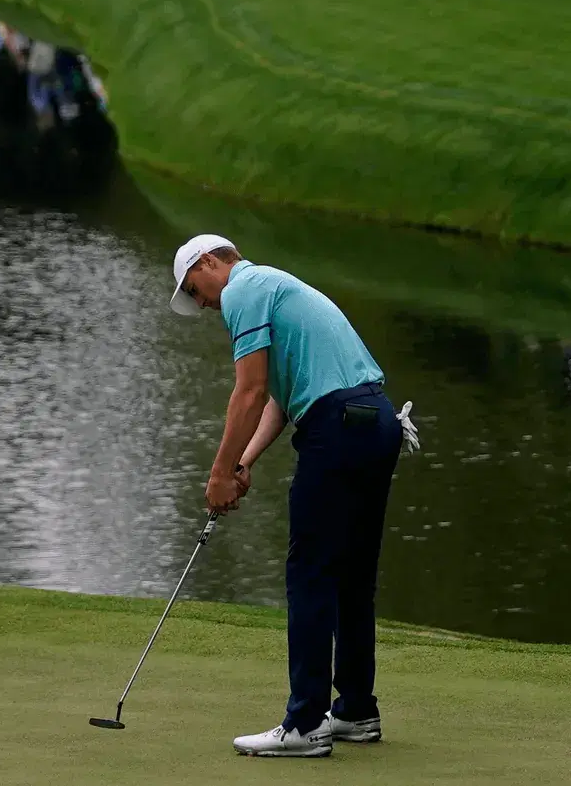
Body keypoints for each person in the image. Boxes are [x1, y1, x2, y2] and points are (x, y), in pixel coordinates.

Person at [166, 235, 413, 759]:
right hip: (375, 425)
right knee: (350, 577)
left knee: (309, 575)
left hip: (338, 429)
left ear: (211, 263)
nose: (205, 304)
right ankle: (354, 711)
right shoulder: (276, 287)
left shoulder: (243, 288)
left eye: (196, 289)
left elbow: (249, 391)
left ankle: (305, 724)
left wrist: (216, 474)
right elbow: (281, 400)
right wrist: (242, 462)